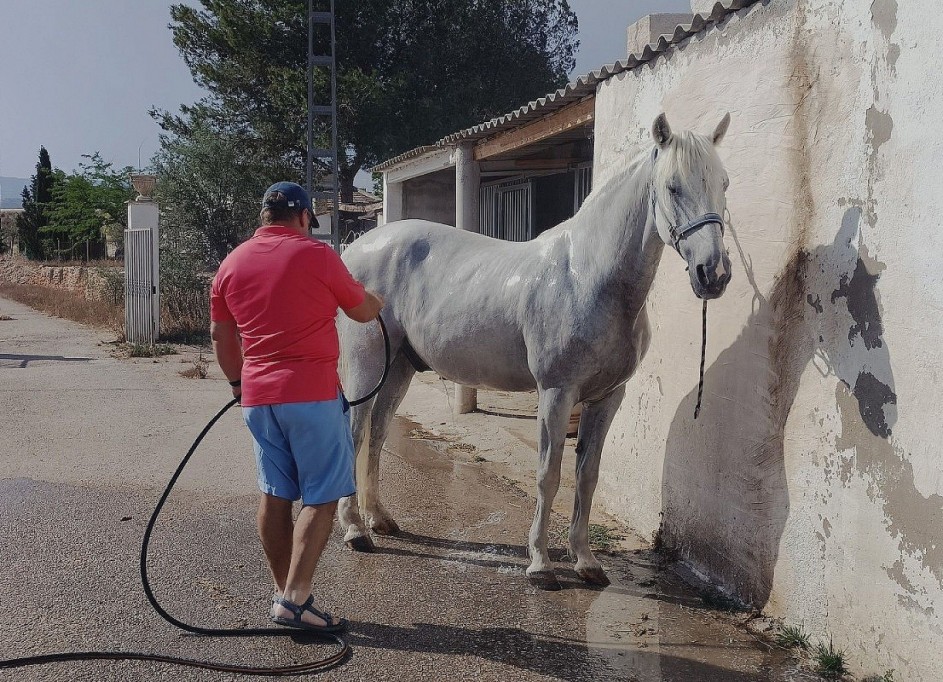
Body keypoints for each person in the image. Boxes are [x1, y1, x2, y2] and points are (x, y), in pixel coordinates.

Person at [210, 181, 383, 633]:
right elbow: (363, 312)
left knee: (274, 494)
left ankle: (285, 595)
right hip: (311, 396)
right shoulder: (318, 256)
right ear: (305, 217)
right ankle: (297, 598)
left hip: (257, 399)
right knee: (323, 496)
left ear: (265, 216)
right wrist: (377, 297)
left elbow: (221, 336)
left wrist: (236, 382)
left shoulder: (231, 264)